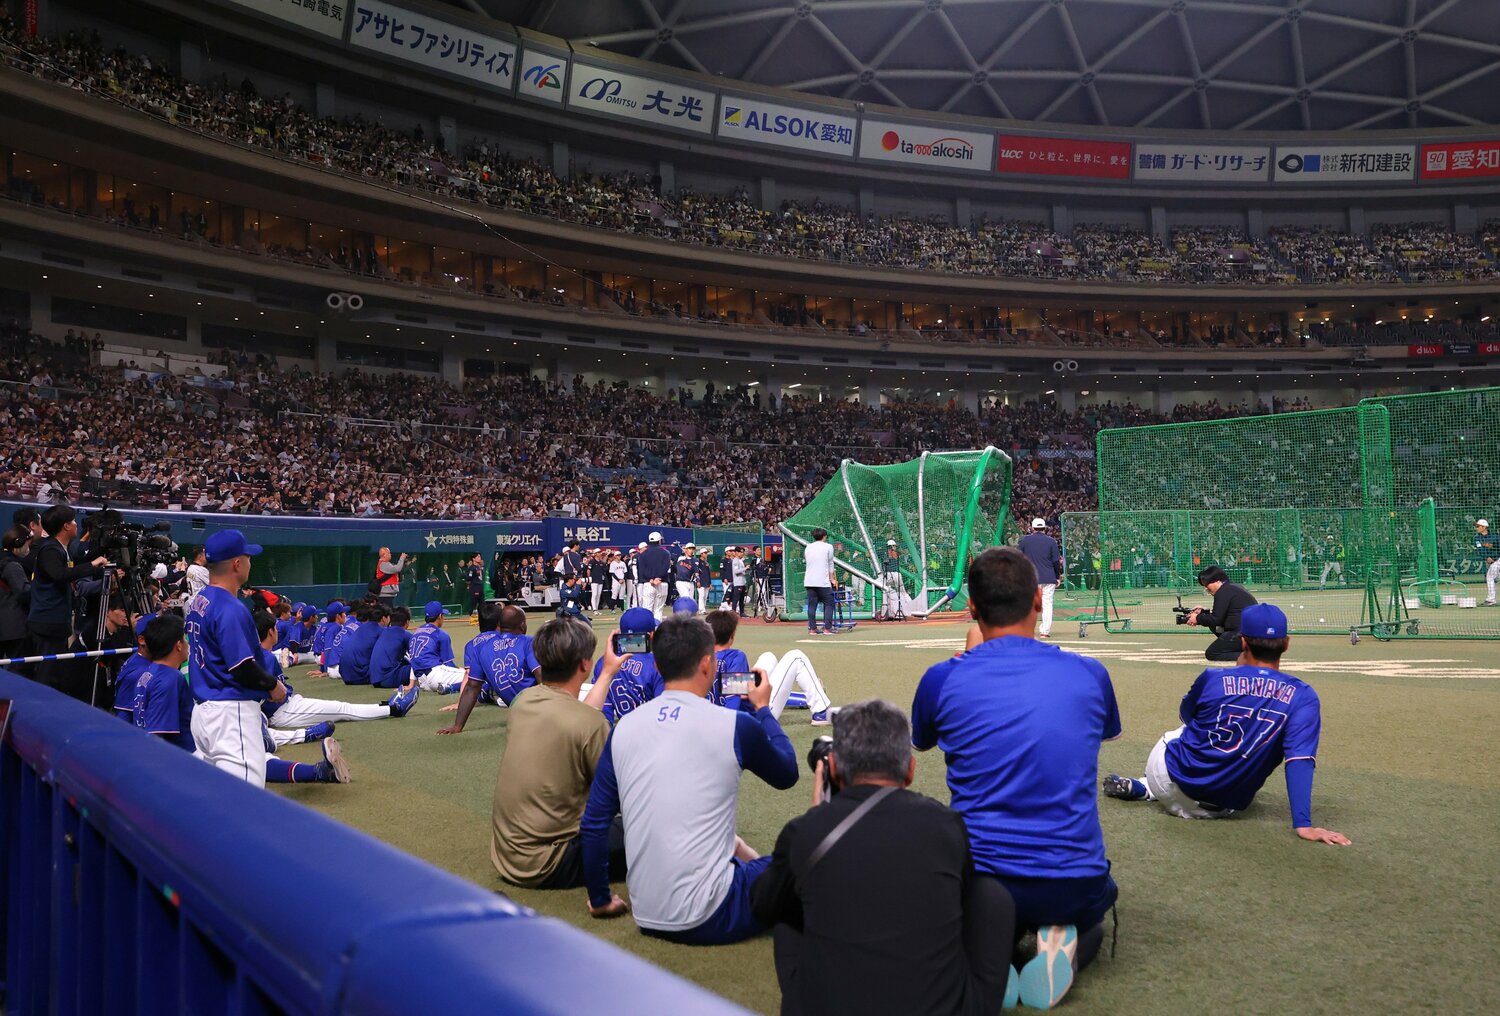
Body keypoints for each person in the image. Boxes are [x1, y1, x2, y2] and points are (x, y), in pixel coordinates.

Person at [912, 547, 1121, 1010]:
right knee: (1092, 916)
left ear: (972, 609)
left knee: (959, 917)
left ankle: (991, 963)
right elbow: (1097, 735)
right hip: (1073, 878)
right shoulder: (1090, 674)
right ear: (1039, 603)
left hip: (983, 881)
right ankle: (1062, 940)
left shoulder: (941, 679)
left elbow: (922, 742)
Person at [751, 699, 1017, 1016]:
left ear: (832, 768)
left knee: (788, 899)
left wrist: (814, 820)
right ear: (910, 770)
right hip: (942, 1006)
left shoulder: (806, 832)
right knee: (992, 896)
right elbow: (965, 903)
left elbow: (763, 905)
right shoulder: (946, 825)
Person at [580, 614, 799, 943]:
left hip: (646, 911)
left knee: (732, 843)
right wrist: (764, 708)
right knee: (803, 858)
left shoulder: (623, 729)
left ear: (656, 662)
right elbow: (787, 774)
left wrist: (600, 899)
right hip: (711, 912)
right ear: (707, 664)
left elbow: (595, 823)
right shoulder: (734, 725)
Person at [1104, 604, 1351, 846]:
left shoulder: (1213, 677)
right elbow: (1300, 761)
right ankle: (1149, 788)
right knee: (1262, 744)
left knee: (1190, 728)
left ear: (1243, 641)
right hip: (1218, 808)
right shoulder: (1303, 696)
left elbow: (1186, 716)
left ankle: (1146, 786)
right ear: (1286, 644)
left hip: (1164, 774)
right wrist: (1303, 825)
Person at [490, 618, 630, 889]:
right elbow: (621, 795)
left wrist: (607, 674)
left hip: (509, 854)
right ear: (584, 664)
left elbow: (577, 718)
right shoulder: (589, 725)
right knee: (661, 823)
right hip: (552, 862)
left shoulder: (523, 701)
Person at [184, 530, 286, 787]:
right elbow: (242, 668)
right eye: (248, 557)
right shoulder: (230, 607)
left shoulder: (201, 600)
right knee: (245, 802)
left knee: (217, 798)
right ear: (236, 564)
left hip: (204, 710)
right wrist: (273, 685)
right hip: (231, 712)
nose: (251, 562)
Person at [26, 504, 109, 696]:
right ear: (65, 526)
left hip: (56, 621)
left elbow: (74, 565)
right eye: (72, 521)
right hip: (47, 620)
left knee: (55, 672)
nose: (75, 524)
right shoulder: (50, 550)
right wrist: (92, 565)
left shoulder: (60, 549)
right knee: (46, 673)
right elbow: (60, 574)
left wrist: (102, 549)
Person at [706, 610, 830, 724]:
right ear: (732, 636)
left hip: (717, 714)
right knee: (797, 657)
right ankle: (821, 712)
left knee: (768, 657)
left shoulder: (702, 659)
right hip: (757, 717)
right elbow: (732, 700)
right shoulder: (735, 656)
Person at [436, 603, 540, 733]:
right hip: (542, 708)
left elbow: (471, 688)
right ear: (523, 625)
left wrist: (457, 726)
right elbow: (543, 677)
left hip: (518, 713)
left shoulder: (483, 650)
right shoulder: (529, 642)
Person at [593, 607, 665, 724]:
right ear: (651, 634)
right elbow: (665, 712)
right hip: (653, 734)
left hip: (622, 734)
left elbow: (602, 713)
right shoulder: (656, 663)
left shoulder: (604, 663)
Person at [1187, 565, 1258, 662]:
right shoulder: (1233, 587)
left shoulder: (1223, 591)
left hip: (1242, 634)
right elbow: (1223, 614)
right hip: (1252, 634)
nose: (1207, 589)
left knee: (1212, 653)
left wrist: (1197, 618)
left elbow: (1216, 619)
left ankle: (1251, 656)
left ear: (1217, 581)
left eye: (1207, 585)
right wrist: (1203, 612)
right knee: (1214, 626)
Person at [1017, 517, 1064, 639]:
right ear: (1044, 528)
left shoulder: (1025, 541)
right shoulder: (1051, 541)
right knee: (1047, 604)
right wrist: (1057, 576)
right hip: (1048, 577)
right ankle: (1045, 631)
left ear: (1032, 528)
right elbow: (1055, 562)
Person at [410, 601, 464, 692]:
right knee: (473, 676)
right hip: (436, 675)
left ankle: (447, 687)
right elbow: (449, 664)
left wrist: (411, 683)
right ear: (439, 616)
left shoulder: (415, 633)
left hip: (422, 683)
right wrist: (460, 669)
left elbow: (414, 660)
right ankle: (450, 687)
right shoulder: (440, 634)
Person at [0, 525, 33, 662]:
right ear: (19, 543)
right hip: (14, 627)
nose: (28, 549)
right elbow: (23, 593)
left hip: (5, 625)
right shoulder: (12, 565)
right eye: (27, 544)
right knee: (18, 671)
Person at [339, 600, 386, 684]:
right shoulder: (380, 630)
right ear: (383, 618)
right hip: (359, 676)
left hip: (344, 675)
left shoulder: (360, 627)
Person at [370, 606, 417, 689]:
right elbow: (419, 656)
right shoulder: (405, 634)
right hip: (389, 679)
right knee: (422, 666)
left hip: (374, 679)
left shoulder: (383, 632)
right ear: (407, 622)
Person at [802, 529, 837, 636]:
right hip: (822, 581)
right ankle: (827, 629)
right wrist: (832, 579)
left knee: (812, 605)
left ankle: (812, 629)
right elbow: (830, 564)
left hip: (809, 581)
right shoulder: (828, 547)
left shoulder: (808, 547)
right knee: (829, 603)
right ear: (824, 536)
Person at [635, 532, 673, 620]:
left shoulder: (643, 554)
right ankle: (657, 630)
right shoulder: (666, 553)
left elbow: (642, 570)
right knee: (658, 610)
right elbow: (666, 567)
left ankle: (647, 631)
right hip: (662, 582)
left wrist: (651, 579)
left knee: (647, 609)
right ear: (659, 540)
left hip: (649, 583)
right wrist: (658, 577)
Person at [1476, 519, 1498, 605]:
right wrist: (1486, 557)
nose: (1476, 528)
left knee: (1489, 577)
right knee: (1493, 577)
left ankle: (1491, 600)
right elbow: (1480, 549)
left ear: (1484, 527)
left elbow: (1498, 547)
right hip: (1490, 561)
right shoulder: (1477, 538)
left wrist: (1493, 557)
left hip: (1498, 559)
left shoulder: (1495, 536)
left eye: (1478, 526)